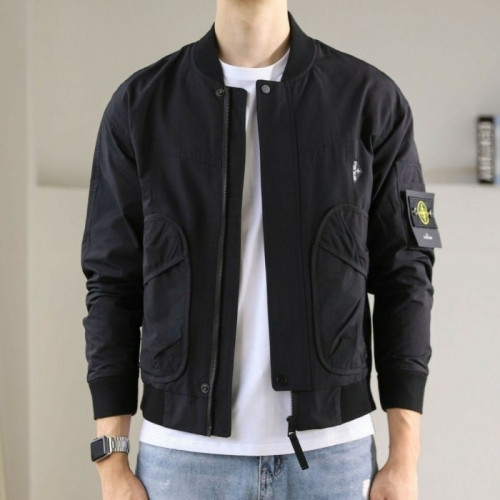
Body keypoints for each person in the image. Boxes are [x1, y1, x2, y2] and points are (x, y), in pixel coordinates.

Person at [81, 1, 440, 498]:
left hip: (332, 459)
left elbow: (407, 276)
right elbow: (111, 284)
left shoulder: (369, 98)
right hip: (183, 462)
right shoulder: (141, 104)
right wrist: (111, 462)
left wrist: (405, 457)